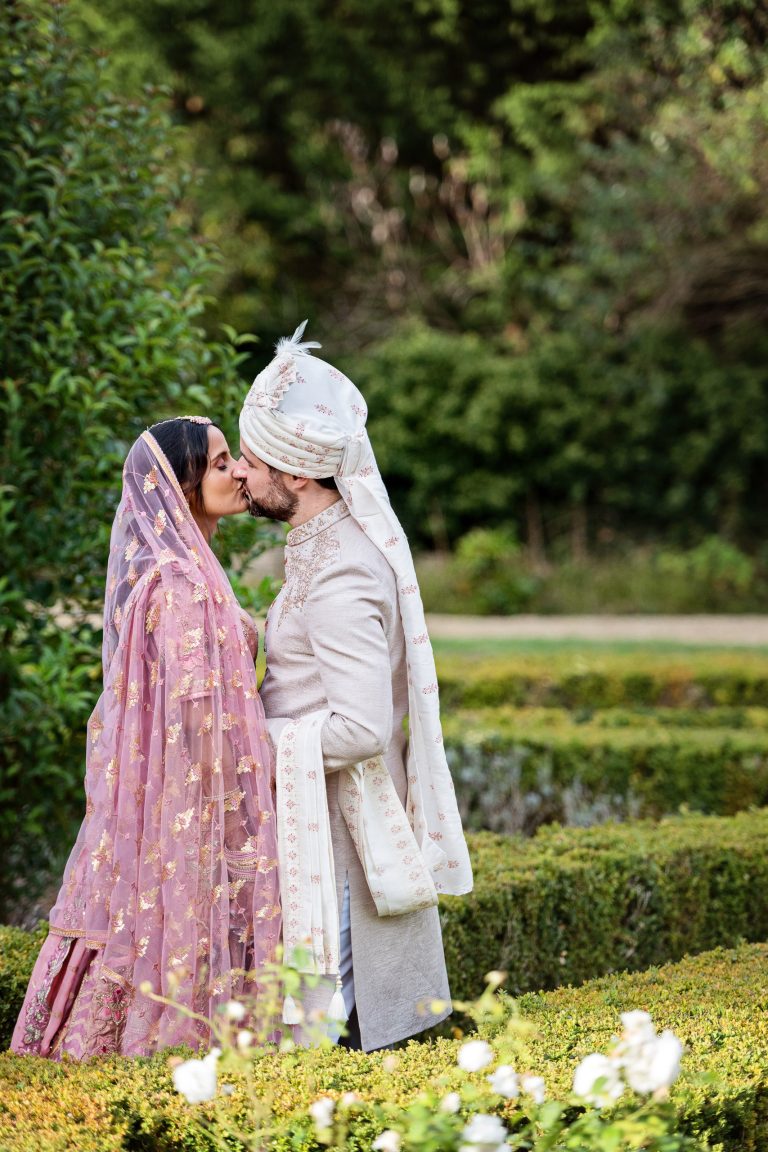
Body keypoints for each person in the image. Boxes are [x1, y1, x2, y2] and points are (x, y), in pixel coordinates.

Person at [235, 323, 473, 1052]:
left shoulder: (341, 571)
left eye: (250, 462)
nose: (240, 476)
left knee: (325, 1036)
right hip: (312, 824)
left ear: (297, 476)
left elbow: (361, 729)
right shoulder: (314, 546)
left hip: (335, 842)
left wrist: (248, 739)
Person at [11, 417, 281, 1059]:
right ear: (182, 487)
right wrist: (244, 825)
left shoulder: (175, 576)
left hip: (171, 809)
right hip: (198, 815)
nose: (240, 471)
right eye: (221, 464)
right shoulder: (186, 591)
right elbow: (195, 723)